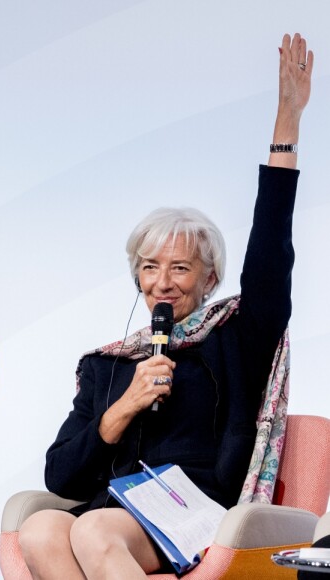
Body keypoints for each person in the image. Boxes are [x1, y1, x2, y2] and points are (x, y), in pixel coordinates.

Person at [18, 32, 312, 579]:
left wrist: (286, 125)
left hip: (199, 509)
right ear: (138, 278)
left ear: (211, 278)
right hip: (117, 508)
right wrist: (123, 407)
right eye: (150, 269)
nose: (164, 283)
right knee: (39, 528)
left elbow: (271, 260)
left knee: (92, 528)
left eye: (180, 268)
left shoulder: (235, 337)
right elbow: (60, 476)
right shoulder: (107, 365)